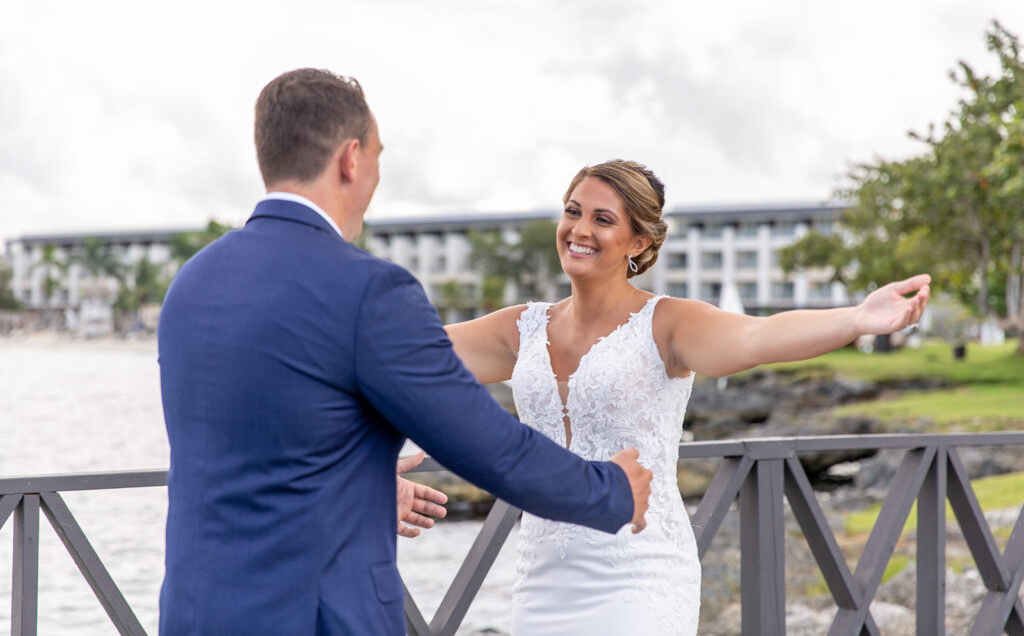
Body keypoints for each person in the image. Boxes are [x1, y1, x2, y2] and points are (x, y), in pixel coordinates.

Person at [157, 70, 654, 635]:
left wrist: (360, 485)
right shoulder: (368, 291)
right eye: (377, 156)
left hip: (195, 612)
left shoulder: (192, 283)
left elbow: (262, 436)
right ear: (350, 159)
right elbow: (489, 446)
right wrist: (611, 490)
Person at [444, 160, 931, 635]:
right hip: (540, 579)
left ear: (639, 241)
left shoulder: (667, 324)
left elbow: (758, 337)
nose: (579, 230)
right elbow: (403, 355)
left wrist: (855, 319)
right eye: (573, 212)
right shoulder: (521, 327)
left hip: (638, 572)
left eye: (602, 219)